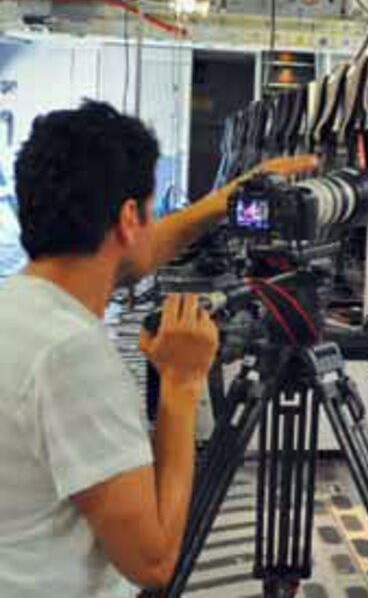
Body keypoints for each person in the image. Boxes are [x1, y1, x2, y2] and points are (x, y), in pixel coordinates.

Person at [0, 101, 316, 595]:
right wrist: (181, 384)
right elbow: (154, 563)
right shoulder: (71, 356)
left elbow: (139, 247)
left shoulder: (19, 310)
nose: (154, 224)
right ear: (128, 216)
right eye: (149, 211)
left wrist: (226, 200)